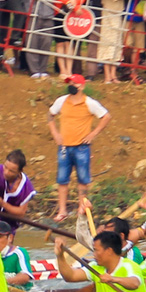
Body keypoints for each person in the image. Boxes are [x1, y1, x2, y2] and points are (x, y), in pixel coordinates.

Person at [48, 73, 110, 219]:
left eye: (74, 83)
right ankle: (62, 210)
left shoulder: (89, 103)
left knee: (83, 180)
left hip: (82, 147)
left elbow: (106, 116)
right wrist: (55, 133)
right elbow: (50, 115)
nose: (71, 86)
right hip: (64, 146)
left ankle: (81, 208)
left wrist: (93, 134)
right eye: (69, 83)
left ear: (82, 86)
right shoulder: (61, 101)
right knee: (62, 180)